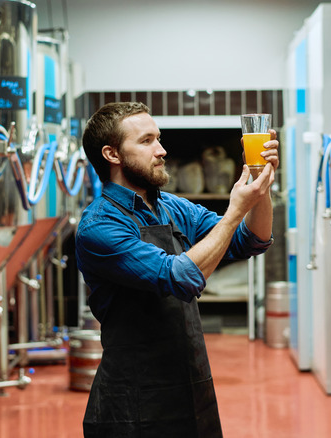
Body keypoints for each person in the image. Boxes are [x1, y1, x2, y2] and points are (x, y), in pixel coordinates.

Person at [75, 102, 278, 437]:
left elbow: (250, 240)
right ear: (112, 154)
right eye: (147, 141)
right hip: (132, 405)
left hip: (191, 389)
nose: (161, 150)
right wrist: (236, 208)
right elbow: (179, 277)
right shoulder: (99, 226)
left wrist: (262, 185)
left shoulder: (172, 207)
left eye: (159, 138)